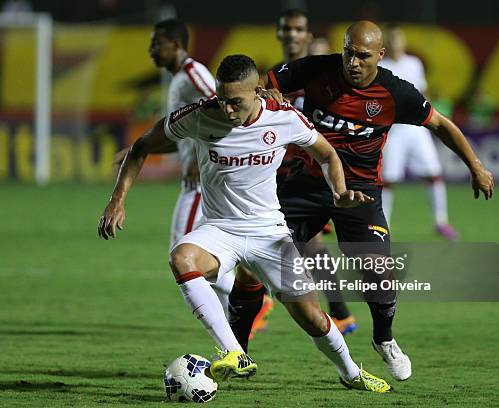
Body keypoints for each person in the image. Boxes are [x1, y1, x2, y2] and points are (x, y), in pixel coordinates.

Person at [98, 54, 392, 393]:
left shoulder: (284, 119)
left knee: (310, 316)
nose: (226, 109)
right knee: (181, 257)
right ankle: (233, 351)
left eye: (235, 102)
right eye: (222, 100)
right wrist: (117, 198)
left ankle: (352, 372)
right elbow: (143, 146)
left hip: (270, 233)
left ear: (259, 93)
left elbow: (326, 153)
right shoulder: (201, 115)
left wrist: (339, 191)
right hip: (221, 229)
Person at [232, 21, 494, 382]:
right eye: (348, 52)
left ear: (380, 56)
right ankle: (237, 352)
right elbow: (265, 82)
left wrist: (475, 167)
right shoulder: (316, 68)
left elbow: (441, 125)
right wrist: (269, 94)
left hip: (360, 192)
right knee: (252, 264)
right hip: (305, 186)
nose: (352, 62)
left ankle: (384, 339)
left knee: (378, 272)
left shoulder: (395, 92)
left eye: (363, 56)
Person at [229, 10, 356, 353]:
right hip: (273, 174)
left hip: (310, 174)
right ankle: (333, 317)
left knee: (304, 246)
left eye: (298, 29)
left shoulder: (319, 75)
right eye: (286, 29)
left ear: (306, 34)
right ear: (279, 33)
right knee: (288, 248)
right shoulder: (270, 78)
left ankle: (331, 317)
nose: (291, 35)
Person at [112, 19, 235, 313]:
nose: (151, 50)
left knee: (182, 256)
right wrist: (137, 150)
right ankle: (240, 311)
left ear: (176, 45)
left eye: (157, 43)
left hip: (201, 182)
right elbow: (183, 135)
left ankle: (245, 298)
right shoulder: (180, 78)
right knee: (185, 256)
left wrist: (201, 157)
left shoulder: (193, 74)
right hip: (195, 181)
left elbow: (224, 109)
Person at [379, 25, 459, 240]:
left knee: (434, 173)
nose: (395, 42)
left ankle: (441, 222)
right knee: (388, 179)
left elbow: (422, 93)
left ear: (404, 41)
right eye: (392, 39)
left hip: (416, 128)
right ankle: (384, 227)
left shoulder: (414, 64)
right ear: (386, 42)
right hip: (393, 130)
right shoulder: (380, 66)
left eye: (398, 38)